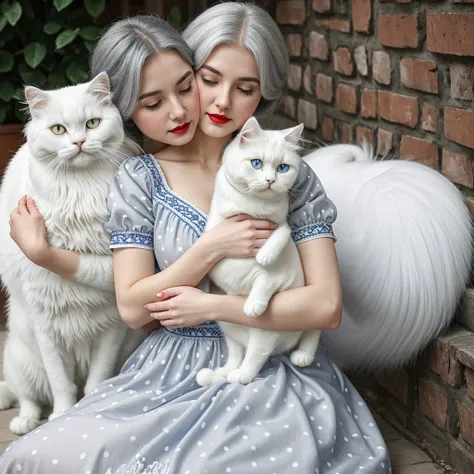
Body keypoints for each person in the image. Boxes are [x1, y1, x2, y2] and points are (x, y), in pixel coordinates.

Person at [0, 3, 391, 473]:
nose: (218, 102)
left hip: (268, 362)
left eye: (244, 88)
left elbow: (326, 307)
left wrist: (213, 307)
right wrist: (212, 247)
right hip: (167, 367)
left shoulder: (286, 174)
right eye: (208, 80)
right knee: (39, 458)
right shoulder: (139, 178)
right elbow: (132, 305)